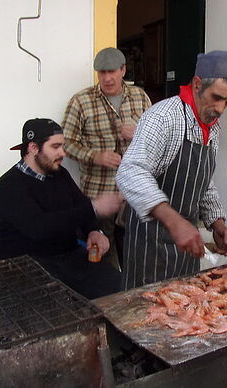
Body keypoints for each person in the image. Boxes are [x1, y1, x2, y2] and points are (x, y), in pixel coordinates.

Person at [116, 51, 227, 289]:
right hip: (150, 246)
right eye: (217, 97)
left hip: (187, 246)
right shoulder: (164, 117)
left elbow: (203, 181)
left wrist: (216, 222)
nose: (221, 108)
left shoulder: (211, 127)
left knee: (185, 309)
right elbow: (130, 171)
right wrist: (174, 221)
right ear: (197, 84)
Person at [0, 118, 123, 299]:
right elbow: (40, 228)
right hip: (23, 266)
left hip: (66, 259)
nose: (63, 153)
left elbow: (81, 206)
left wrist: (94, 230)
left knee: (121, 289)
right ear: (33, 148)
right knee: (61, 307)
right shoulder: (9, 185)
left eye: (62, 146)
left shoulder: (60, 174)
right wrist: (94, 208)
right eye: (55, 147)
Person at [61, 47, 152, 270]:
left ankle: (132, 294)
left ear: (123, 70)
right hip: (99, 192)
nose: (107, 78)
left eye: (112, 71)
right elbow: (64, 142)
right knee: (102, 253)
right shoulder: (81, 101)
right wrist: (95, 156)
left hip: (134, 191)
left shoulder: (141, 97)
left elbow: (159, 139)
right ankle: (108, 298)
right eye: (102, 73)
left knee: (136, 250)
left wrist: (139, 132)